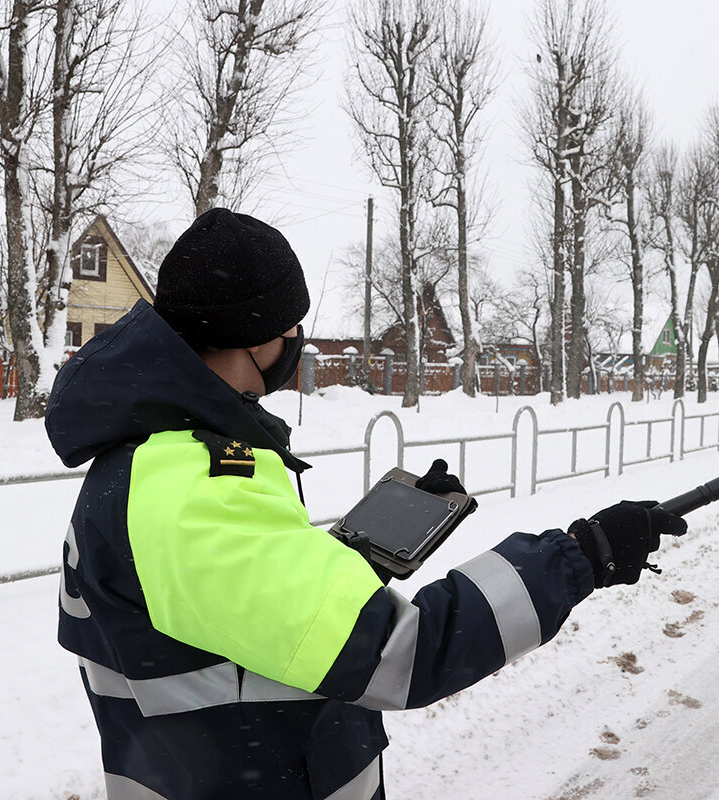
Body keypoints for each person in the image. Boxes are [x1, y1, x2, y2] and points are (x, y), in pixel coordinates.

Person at [45, 208, 686, 800]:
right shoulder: (193, 489)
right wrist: (584, 554)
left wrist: (355, 555)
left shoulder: (153, 461)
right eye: (290, 323)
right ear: (257, 335)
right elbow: (399, 652)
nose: (297, 337)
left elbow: (236, 615)